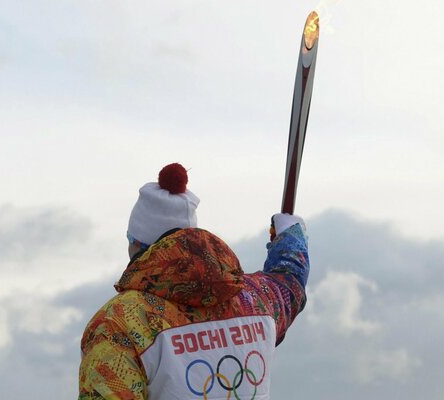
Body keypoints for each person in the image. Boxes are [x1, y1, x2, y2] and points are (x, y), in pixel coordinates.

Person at [78, 163, 309, 399]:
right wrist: (291, 234)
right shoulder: (255, 301)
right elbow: (289, 281)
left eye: (130, 237)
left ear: (138, 244)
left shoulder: (120, 322)